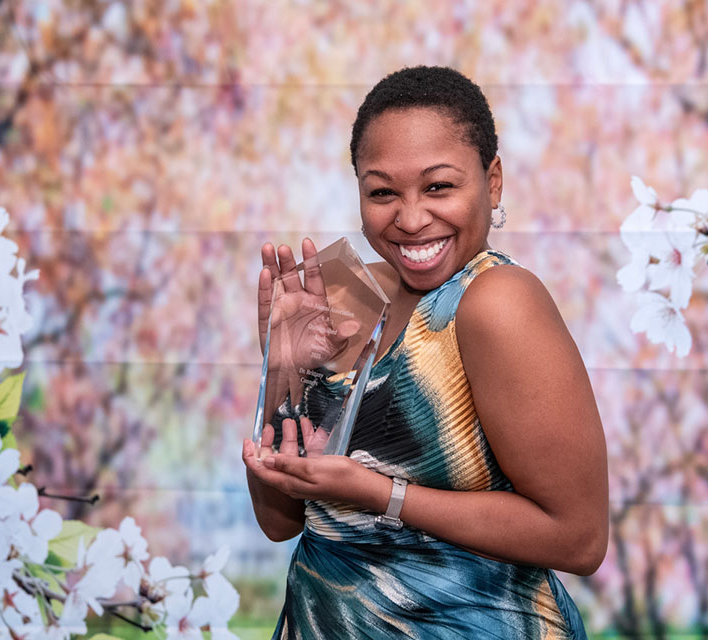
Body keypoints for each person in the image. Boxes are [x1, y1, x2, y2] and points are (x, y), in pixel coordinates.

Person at [241, 65, 608, 639]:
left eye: (439, 186)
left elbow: (579, 538)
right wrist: (281, 371)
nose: (410, 219)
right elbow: (280, 521)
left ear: (494, 181)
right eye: (382, 192)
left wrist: (380, 495)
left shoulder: (496, 301)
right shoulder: (343, 292)